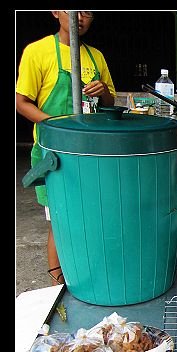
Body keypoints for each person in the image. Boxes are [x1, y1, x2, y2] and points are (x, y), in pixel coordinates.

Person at [16, 11, 116, 285]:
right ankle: (57, 286)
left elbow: (110, 104)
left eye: (88, 13)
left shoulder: (95, 56)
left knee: (94, 217)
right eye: (75, 10)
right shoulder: (38, 52)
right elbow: (21, 101)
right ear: (56, 12)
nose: (80, 17)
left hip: (93, 154)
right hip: (54, 154)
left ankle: (90, 278)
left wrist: (103, 92)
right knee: (60, 221)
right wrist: (59, 128)